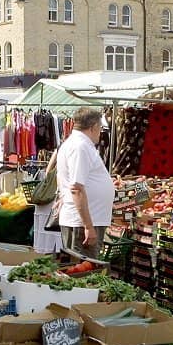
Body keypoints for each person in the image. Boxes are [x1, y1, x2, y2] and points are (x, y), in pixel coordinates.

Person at [56, 107, 115, 258]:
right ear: (93, 126)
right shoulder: (80, 146)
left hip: (84, 220)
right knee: (83, 269)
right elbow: (76, 188)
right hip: (82, 222)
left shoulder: (77, 144)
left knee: (82, 268)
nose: (100, 132)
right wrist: (88, 226)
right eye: (100, 128)